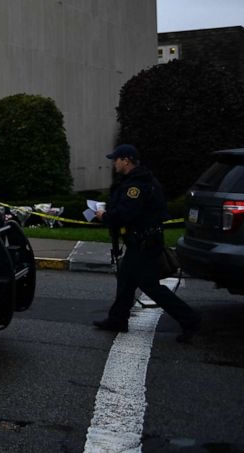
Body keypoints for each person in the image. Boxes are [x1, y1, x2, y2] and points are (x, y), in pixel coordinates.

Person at [93, 144, 201, 343]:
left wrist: (104, 215)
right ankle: (117, 319)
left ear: (126, 160)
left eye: (115, 159)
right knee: (126, 280)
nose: (113, 163)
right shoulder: (140, 180)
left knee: (150, 286)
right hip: (141, 242)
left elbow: (126, 213)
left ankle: (190, 320)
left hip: (144, 243)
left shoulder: (136, 186)